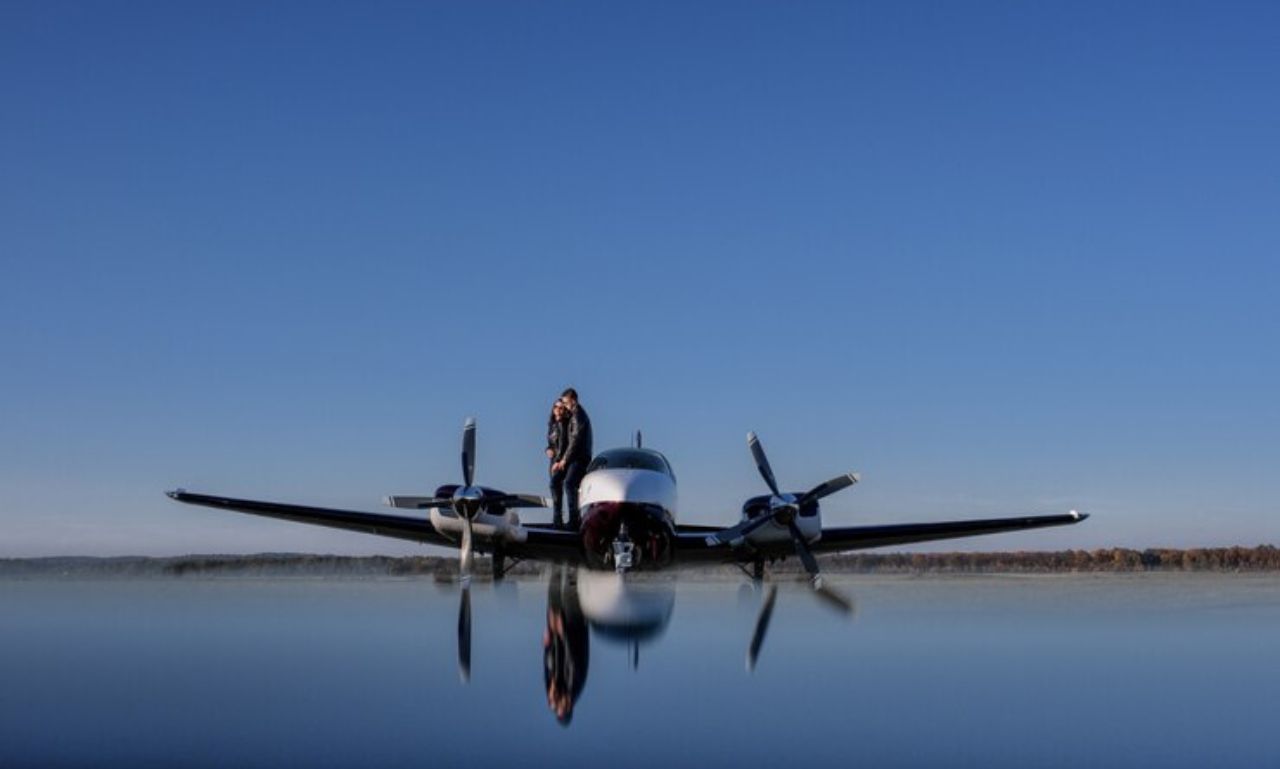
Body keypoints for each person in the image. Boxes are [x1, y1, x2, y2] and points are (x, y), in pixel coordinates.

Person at [551, 387, 592, 529]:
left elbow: (575, 441)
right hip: (572, 458)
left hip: (579, 458)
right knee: (555, 481)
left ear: (573, 401)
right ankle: (557, 519)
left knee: (569, 483)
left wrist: (564, 461)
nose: (565, 406)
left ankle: (574, 520)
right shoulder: (572, 416)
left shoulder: (578, 416)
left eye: (566, 403)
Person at [546, 400, 569, 528]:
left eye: (561, 407)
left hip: (561, 461)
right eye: (556, 406)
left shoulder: (564, 424)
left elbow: (565, 445)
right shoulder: (552, 425)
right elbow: (551, 444)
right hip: (553, 461)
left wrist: (560, 461)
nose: (558, 409)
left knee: (555, 486)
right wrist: (547, 450)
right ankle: (557, 520)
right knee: (555, 490)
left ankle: (558, 520)